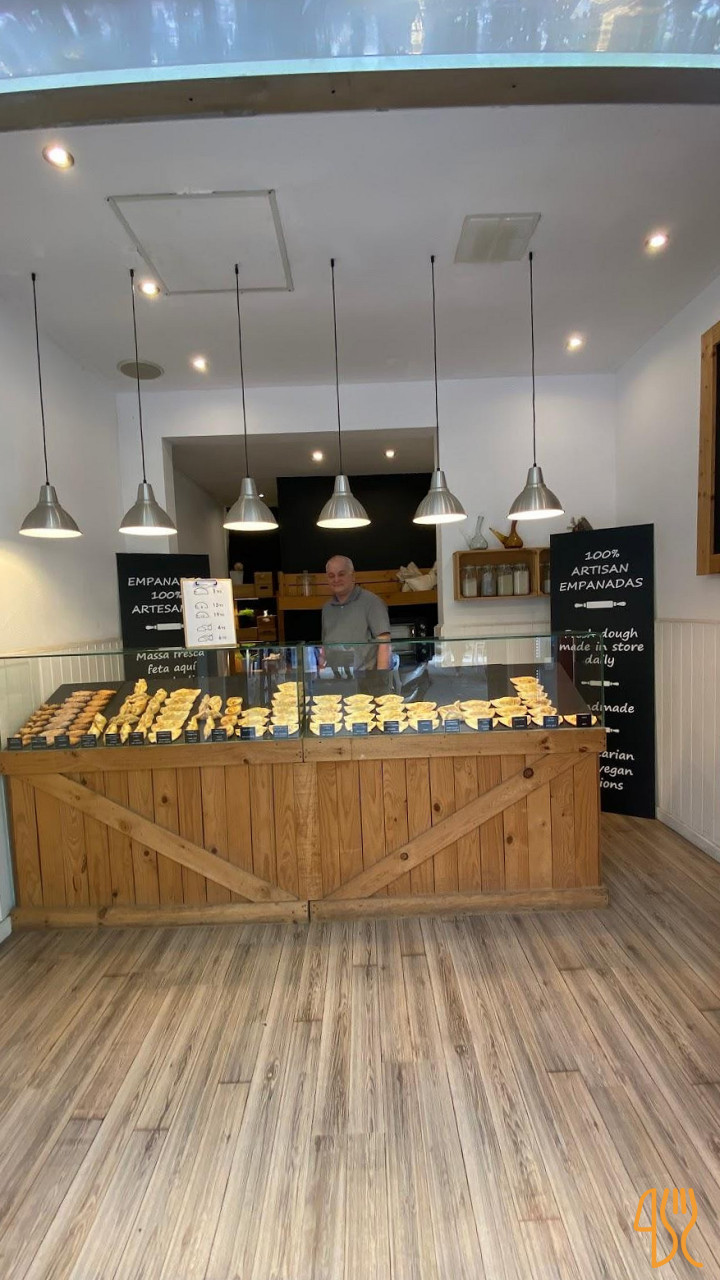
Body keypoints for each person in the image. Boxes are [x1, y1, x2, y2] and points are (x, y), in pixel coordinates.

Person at [321, 555, 391, 677]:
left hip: (366, 680)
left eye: (341, 574)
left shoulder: (372, 602)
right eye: (331, 576)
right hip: (334, 680)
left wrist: (381, 680)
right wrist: (320, 673)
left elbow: (384, 644)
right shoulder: (327, 608)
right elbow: (324, 646)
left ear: (353, 576)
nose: (336, 579)